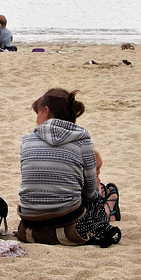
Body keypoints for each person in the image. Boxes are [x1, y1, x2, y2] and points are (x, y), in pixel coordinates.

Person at [17, 88, 121, 247]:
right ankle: (110, 209)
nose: (36, 120)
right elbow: (89, 191)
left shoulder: (27, 141)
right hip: (69, 226)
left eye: (37, 114)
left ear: (46, 111)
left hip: (29, 224)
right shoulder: (82, 141)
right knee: (95, 199)